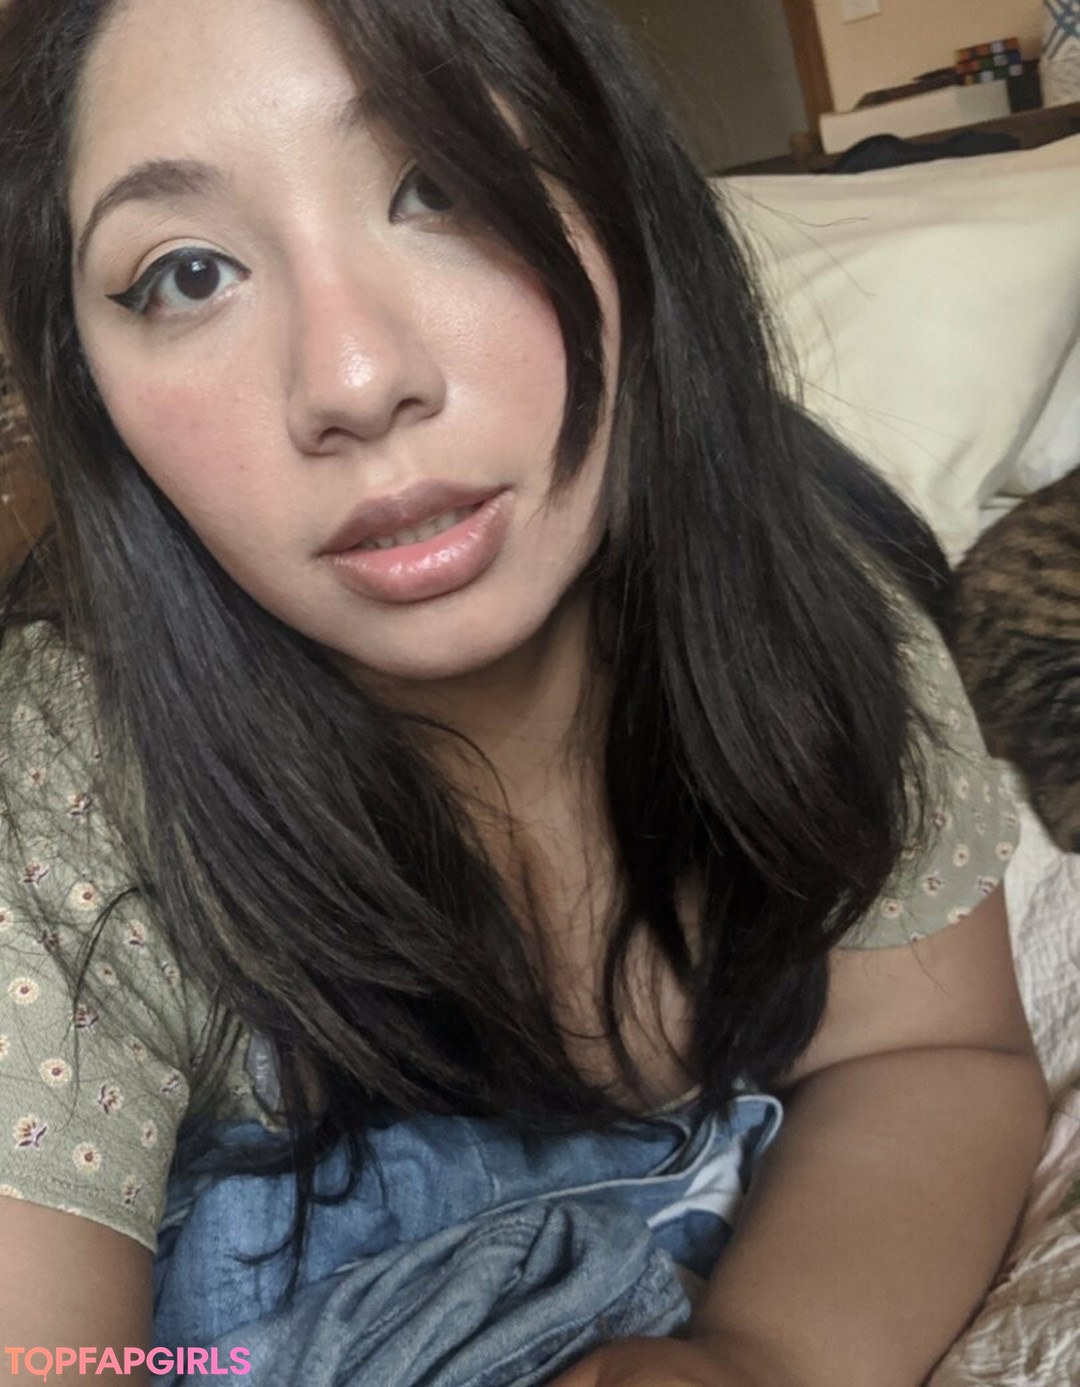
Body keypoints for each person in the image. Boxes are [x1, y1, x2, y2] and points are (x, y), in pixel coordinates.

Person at [0, 1, 1047, 1383]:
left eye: (439, 182)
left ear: (621, 197)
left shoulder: (822, 616)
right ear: (90, 392)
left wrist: (755, 1357)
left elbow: (927, 1053)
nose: (356, 379)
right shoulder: (60, 792)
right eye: (188, 274)